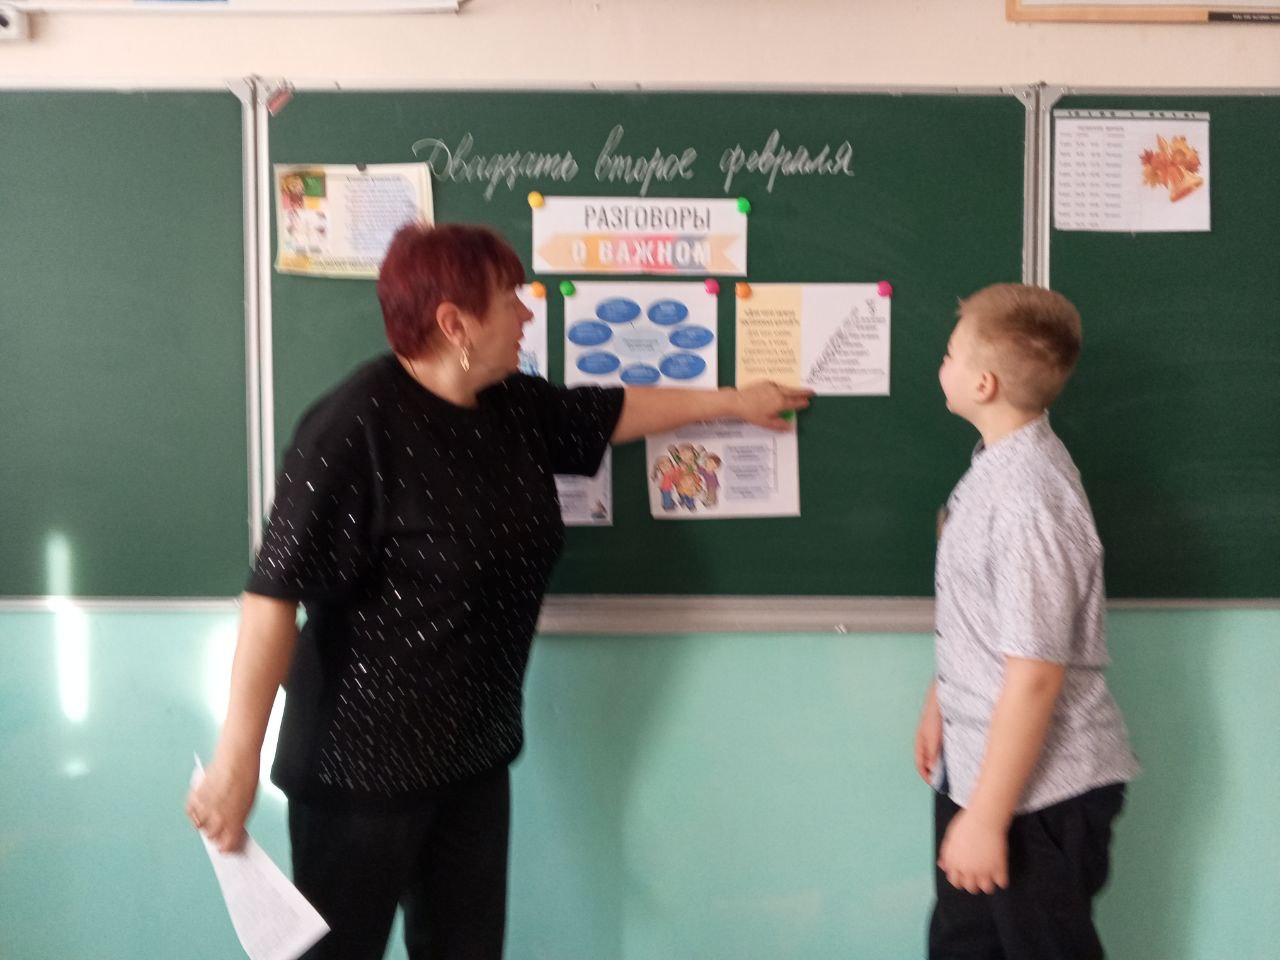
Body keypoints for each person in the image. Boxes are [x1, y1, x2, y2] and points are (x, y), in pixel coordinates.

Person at [185, 221, 811, 960]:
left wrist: (734, 401)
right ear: (455, 323)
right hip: (361, 772)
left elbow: (610, 413)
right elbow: (272, 598)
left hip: (473, 759)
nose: (526, 312)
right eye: (510, 297)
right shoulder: (353, 428)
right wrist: (236, 765)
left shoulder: (512, 407)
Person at [918, 283, 1140, 960]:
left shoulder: (1028, 500)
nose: (940, 364)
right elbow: (988, 619)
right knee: (965, 947)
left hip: (1039, 795)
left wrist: (987, 818)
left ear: (983, 383)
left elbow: (1037, 676)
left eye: (949, 354)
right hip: (982, 771)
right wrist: (942, 696)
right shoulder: (995, 467)